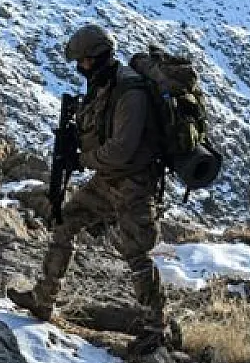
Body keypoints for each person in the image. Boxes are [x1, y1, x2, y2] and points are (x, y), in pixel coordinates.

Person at [9, 23, 169, 345]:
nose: (80, 67)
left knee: (135, 252)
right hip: (108, 179)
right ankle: (43, 299)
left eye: (83, 60)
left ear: (98, 57)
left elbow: (122, 149)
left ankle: (157, 328)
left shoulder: (130, 92)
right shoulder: (103, 85)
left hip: (133, 182)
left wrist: (83, 161)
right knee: (66, 221)